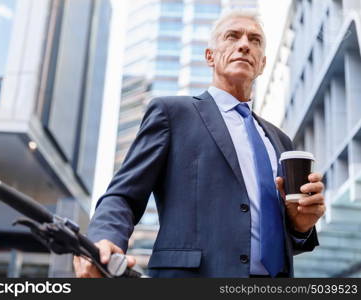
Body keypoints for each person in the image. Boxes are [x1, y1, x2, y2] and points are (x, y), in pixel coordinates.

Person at [73, 11, 325, 278]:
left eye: (254, 40)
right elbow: (124, 194)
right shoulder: (171, 113)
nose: (244, 44)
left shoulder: (280, 140)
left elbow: (276, 232)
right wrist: (103, 238)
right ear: (210, 56)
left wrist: (301, 226)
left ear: (262, 63)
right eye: (232, 36)